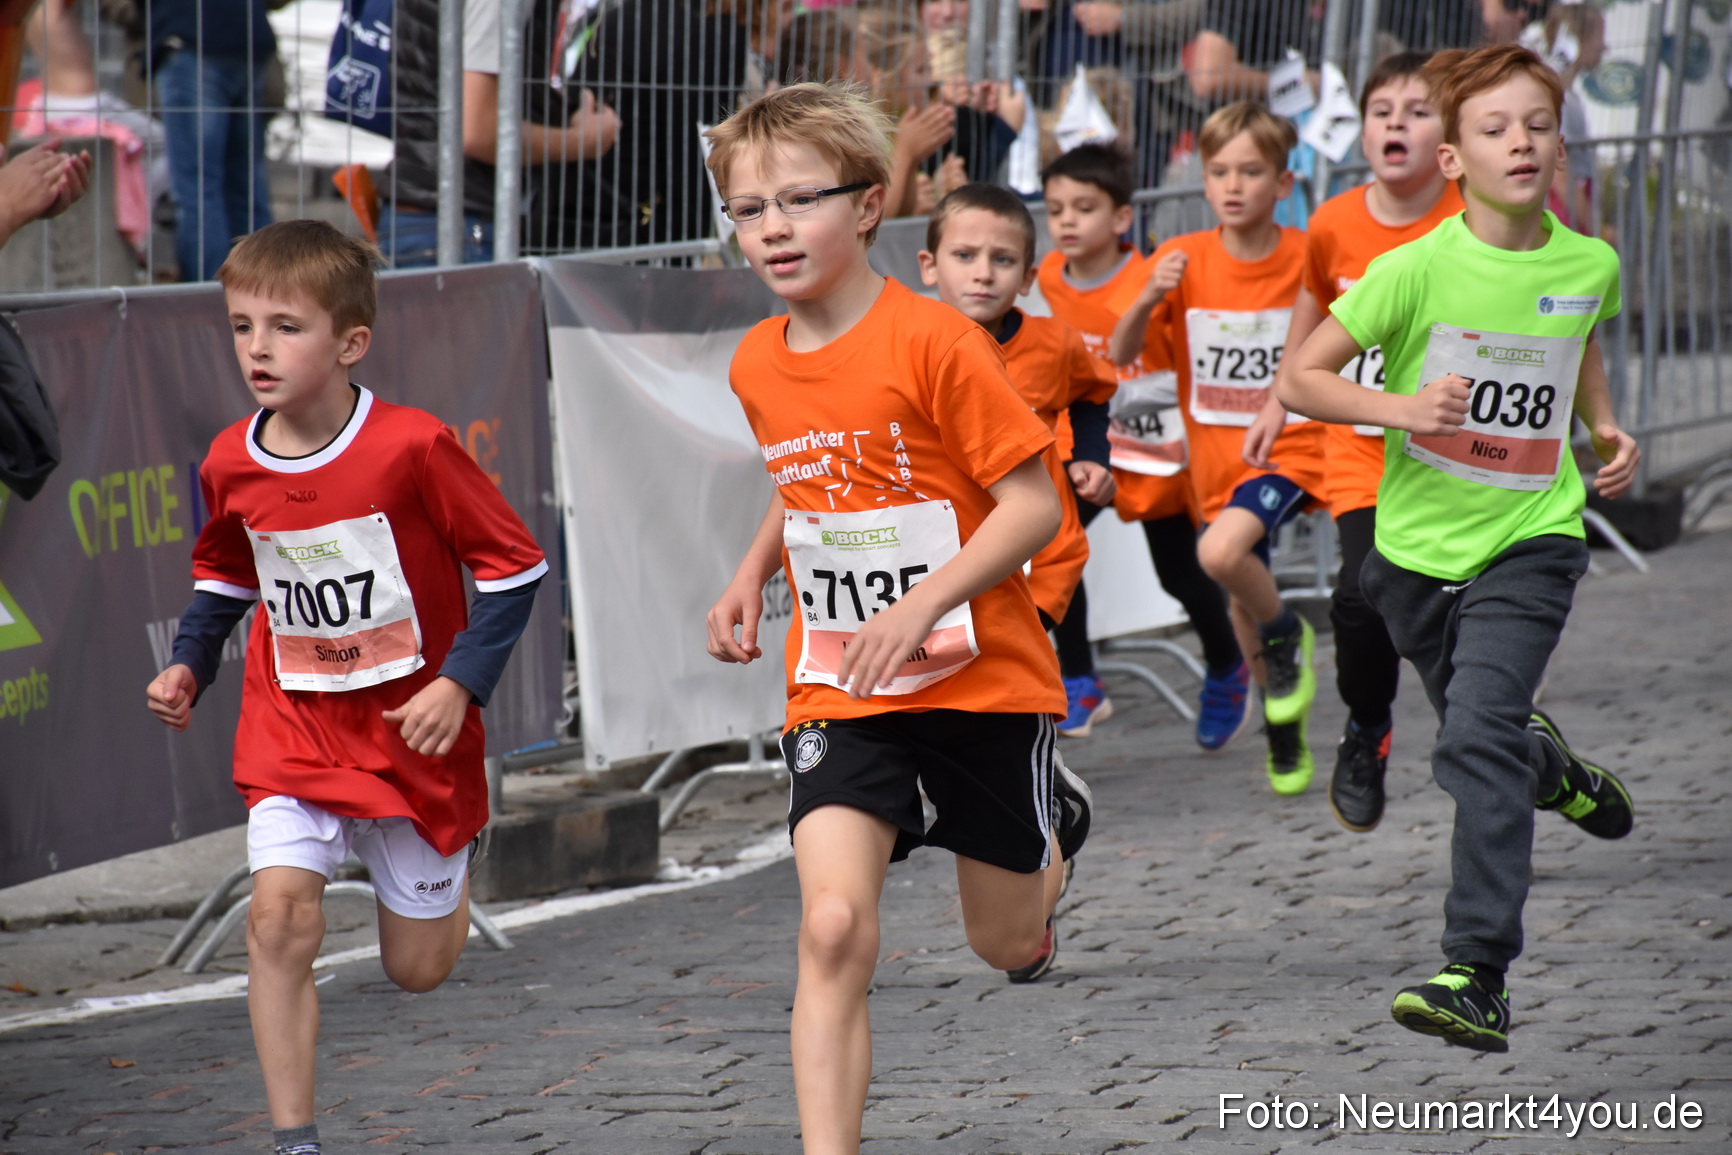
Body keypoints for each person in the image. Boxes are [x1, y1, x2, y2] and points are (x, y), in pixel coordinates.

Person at [701, 83, 1091, 1155]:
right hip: (843, 680)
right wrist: (749, 572)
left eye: (798, 201)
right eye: (747, 209)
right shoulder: (754, 360)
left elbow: (1032, 505)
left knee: (1006, 943)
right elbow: (809, 480)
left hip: (982, 674)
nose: (772, 228)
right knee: (831, 929)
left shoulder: (937, 344)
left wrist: (921, 603)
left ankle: (1055, 828)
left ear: (870, 206)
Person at [144, 220, 548, 1155]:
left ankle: (455, 848)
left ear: (350, 342)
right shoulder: (229, 458)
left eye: (285, 327)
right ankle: (296, 1141)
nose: (257, 348)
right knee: (279, 917)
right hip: (297, 728)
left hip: (416, 736)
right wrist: (191, 663)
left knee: (416, 968)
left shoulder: (412, 447)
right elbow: (226, 574)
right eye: (242, 325)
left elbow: (516, 567)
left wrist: (461, 686)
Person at [1283, 44, 1637, 1052]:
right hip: (1410, 558)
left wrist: (1604, 428)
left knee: (1469, 738)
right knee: (1492, 737)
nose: (1519, 143)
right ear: (1452, 161)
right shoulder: (1412, 269)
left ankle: (1474, 971)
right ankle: (1553, 771)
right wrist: (1398, 404)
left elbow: (1578, 338)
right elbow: (1301, 380)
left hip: (1531, 539)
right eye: (1494, 129)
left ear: (1561, 146)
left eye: (1536, 125)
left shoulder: (1589, 260)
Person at [1256, 52, 1464, 832]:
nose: (1396, 125)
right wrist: (1281, 399)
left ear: (1447, 137)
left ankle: (1494, 735)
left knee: (1452, 611)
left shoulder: (1473, 216)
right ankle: (1366, 725)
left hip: (1459, 449)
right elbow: (1313, 312)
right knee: (1360, 594)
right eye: (1382, 111)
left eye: (1416, 111)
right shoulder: (1334, 221)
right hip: (1365, 449)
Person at [1109, 103, 1327, 793]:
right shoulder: (1184, 261)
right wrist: (1146, 296)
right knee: (1238, 595)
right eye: (1219, 172)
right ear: (1203, 182)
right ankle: (1281, 716)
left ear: (1284, 183)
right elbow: (1121, 353)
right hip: (1214, 461)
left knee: (1219, 555)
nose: (1233, 186)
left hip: (1292, 445)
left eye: (1251, 171)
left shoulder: (1304, 259)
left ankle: (1289, 630)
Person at [1036, 142, 1249, 748]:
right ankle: (1079, 680)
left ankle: (1226, 661)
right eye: (1055, 210)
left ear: (1121, 219)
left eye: (1084, 207)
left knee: (1180, 575)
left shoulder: (1152, 279)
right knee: (1055, 546)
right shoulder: (1051, 273)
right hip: (1086, 443)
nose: (1068, 222)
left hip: (1158, 447)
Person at [917, 181, 1115, 637]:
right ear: (929, 266)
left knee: (1011, 673)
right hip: (941, 558)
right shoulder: (910, 345)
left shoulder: (1055, 343)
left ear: (1028, 277)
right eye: (964, 256)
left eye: (1002, 260)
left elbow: (1092, 391)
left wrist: (1090, 455)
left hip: (1041, 559)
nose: (983, 273)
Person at [149, 0, 277, 280]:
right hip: (247, 35)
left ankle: (210, 301)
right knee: (245, 187)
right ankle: (270, 292)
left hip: (190, 36)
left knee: (199, 190)